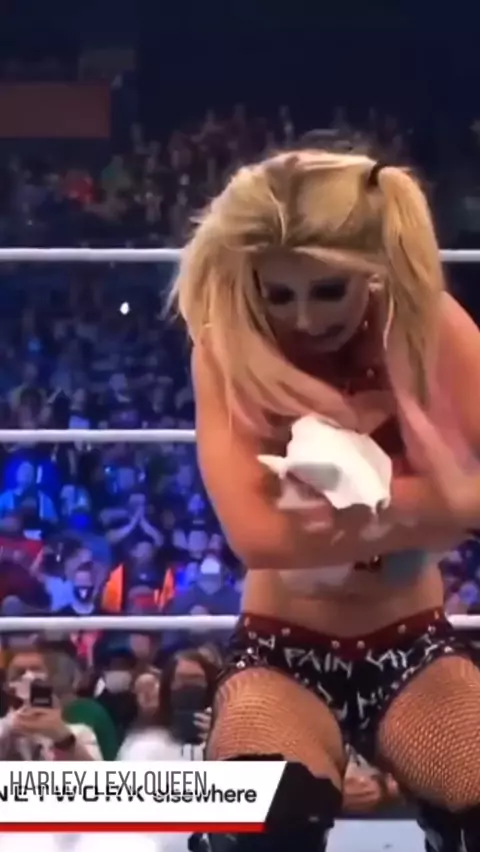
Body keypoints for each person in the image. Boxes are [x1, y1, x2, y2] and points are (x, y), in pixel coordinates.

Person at [171, 149, 480, 852]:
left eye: (328, 290)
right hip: (282, 649)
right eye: (279, 295)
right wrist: (445, 503)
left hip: (413, 644)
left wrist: (360, 509)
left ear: (370, 269)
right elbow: (259, 537)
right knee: (257, 823)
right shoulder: (230, 348)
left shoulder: (428, 326)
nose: (305, 319)